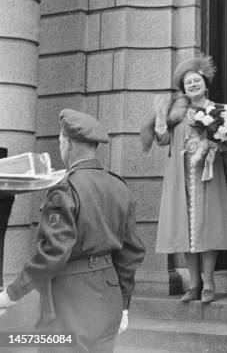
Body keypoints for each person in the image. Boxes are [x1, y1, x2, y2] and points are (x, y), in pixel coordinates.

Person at [0, 109, 145, 352]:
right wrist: (124, 304)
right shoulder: (119, 186)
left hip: (71, 302)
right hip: (108, 299)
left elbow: (52, 255)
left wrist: (11, 295)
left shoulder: (64, 190)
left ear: (68, 144)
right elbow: (131, 253)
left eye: (60, 140)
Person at [144, 55, 227, 304]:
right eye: (188, 83)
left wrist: (215, 144)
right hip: (181, 177)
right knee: (185, 228)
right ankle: (193, 284)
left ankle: (209, 282)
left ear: (205, 84)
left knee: (208, 227)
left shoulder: (219, 112)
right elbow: (162, 140)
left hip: (208, 176)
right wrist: (160, 117)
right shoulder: (177, 113)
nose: (192, 85)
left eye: (196, 81)